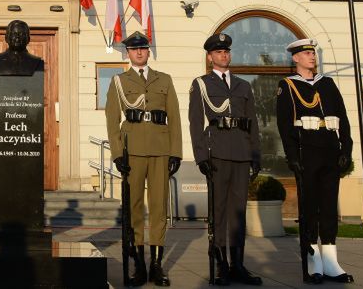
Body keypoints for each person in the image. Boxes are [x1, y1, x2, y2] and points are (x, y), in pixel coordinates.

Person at [105, 31, 181, 287]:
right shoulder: (118, 81)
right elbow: (112, 120)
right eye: (134, 49)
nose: (139, 52)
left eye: (143, 48)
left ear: (148, 52)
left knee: (159, 208)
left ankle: (156, 264)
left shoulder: (165, 80)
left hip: (160, 149)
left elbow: (175, 118)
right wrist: (117, 153)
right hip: (132, 150)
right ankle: (138, 263)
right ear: (128, 53)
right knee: (134, 207)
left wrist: (176, 152)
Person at [276, 39, 353, 284]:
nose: (312, 56)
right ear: (295, 58)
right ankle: (313, 262)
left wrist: (346, 149)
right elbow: (284, 125)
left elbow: (343, 117)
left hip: (330, 149)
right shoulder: (287, 86)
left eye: (313, 53)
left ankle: (330, 261)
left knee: (329, 207)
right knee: (309, 208)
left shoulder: (328, 84)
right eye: (307, 53)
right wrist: (292, 157)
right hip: (306, 151)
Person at [189, 33, 262, 286]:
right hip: (217, 153)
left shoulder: (244, 85)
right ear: (210, 57)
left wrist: (256, 155)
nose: (224, 55)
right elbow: (195, 123)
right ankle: (221, 264)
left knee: (238, 212)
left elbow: (253, 122)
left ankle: (238, 265)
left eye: (226, 51)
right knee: (219, 211)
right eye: (218, 52)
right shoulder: (201, 84)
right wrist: (201, 157)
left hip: (241, 153)